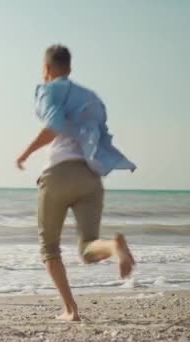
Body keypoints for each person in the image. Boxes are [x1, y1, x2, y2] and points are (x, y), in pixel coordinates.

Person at [16, 44, 136, 321]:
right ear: (69, 68)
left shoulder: (48, 89)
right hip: (90, 178)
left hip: (58, 174)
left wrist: (24, 153)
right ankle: (114, 246)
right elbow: (101, 137)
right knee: (89, 247)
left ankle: (70, 309)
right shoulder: (93, 99)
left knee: (49, 248)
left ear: (46, 69)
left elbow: (54, 125)